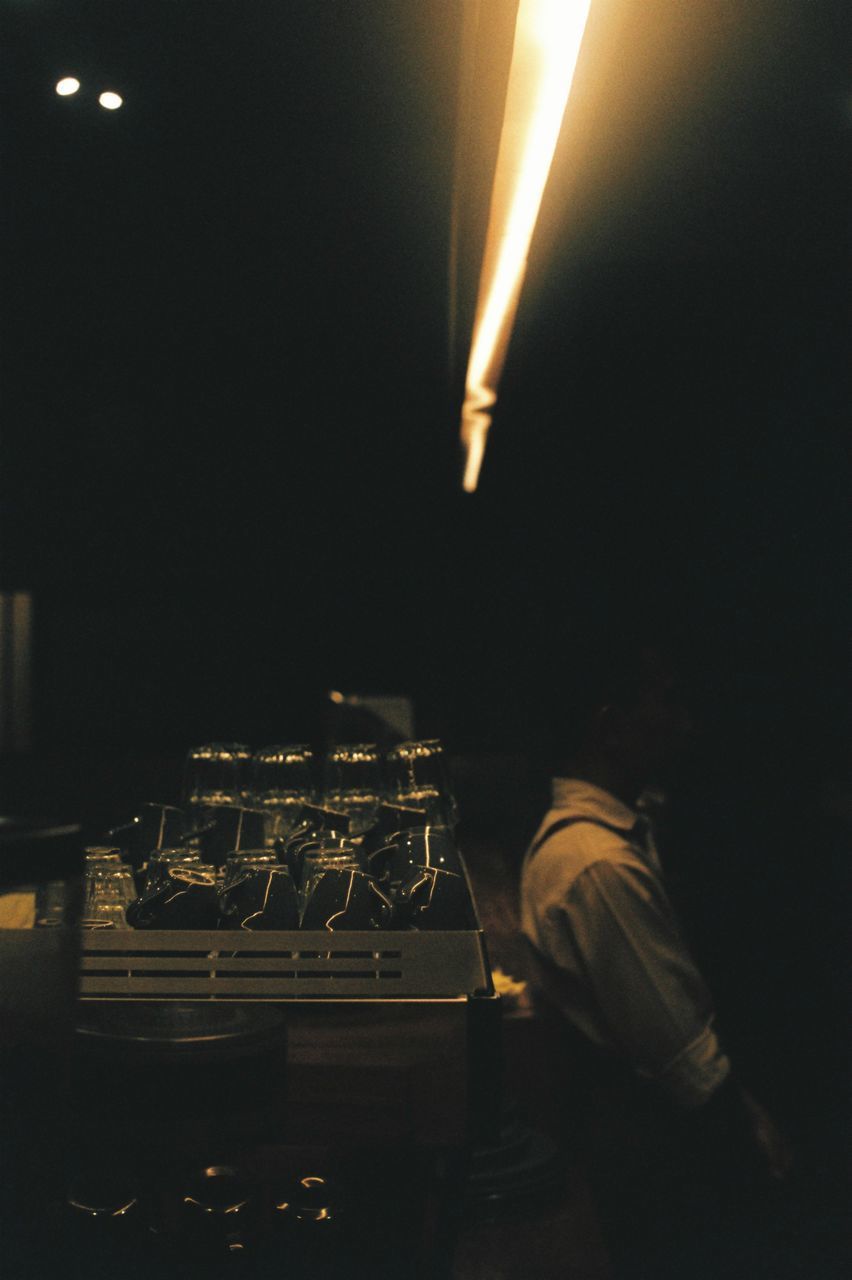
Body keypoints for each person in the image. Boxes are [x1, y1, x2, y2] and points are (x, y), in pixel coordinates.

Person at [519, 629, 792, 1279]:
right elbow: (685, 1065)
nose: (684, 722)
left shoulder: (603, 842)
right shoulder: (595, 864)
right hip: (647, 1174)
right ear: (610, 727)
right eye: (664, 700)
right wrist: (756, 1138)